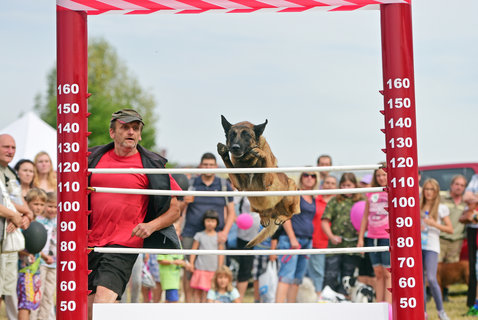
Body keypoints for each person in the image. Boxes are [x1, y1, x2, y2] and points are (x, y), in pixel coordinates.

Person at [87, 109, 181, 320]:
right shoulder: (93, 158)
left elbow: (175, 209)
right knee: (90, 310)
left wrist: (151, 226)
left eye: (135, 128)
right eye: (125, 127)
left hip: (124, 244)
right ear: (112, 132)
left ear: (140, 135)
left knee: (102, 304)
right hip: (90, 244)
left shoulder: (152, 165)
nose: (131, 132)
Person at [180, 152, 235, 302]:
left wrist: (225, 232)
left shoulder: (224, 185)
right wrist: (185, 202)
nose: (208, 167)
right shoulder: (191, 184)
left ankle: (212, 303)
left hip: (216, 235)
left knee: (217, 271)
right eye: (205, 164)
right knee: (189, 269)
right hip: (191, 233)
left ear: (216, 167)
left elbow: (231, 212)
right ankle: (189, 304)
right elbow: (179, 211)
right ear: (200, 166)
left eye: (211, 165)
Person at [0, 134, 31, 320]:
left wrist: (26, 215)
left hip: (9, 243)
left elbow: (17, 201)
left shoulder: (11, 173)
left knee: (4, 290)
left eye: (13, 147)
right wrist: (13, 215)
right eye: (6, 147)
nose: (10, 151)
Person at [275, 171, 317, 303]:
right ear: (301, 177)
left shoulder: (313, 197)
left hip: (306, 240)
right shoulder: (295, 193)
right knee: (286, 276)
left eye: (313, 176)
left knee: (297, 278)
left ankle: (291, 309)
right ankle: (279, 309)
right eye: (306, 175)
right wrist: (292, 238)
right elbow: (284, 216)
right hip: (291, 240)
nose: (309, 178)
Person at [321, 172, 363, 296]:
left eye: (349, 185)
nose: (346, 188)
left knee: (348, 278)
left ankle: (345, 304)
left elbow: (367, 220)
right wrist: (331, 237)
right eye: (343, 185)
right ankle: (329, 301)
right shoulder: (335, 200)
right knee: (330, 276)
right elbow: (324, 221)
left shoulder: (361, 200)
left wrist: (361, 235)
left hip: (353, 246)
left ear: (355, 185)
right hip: (335, 246)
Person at [357, 165, 391, 304]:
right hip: (372, 236)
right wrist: (360, 238)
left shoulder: (392, 192)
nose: (381, 178)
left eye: (384, 175)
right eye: (378, 175)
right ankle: (379, 303)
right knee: (377, 273)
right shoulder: (371, 193)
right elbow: (365, 216)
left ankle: (389, 305)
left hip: (386, 237)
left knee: (388, 273)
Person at [420, 179, 453, 320]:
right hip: (418, 245)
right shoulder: (418, 206)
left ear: (436, 191)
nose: (428, 192)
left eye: (432, 189)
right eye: (426, 189)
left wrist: (434, 224)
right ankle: (423, 313)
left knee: (432, 279)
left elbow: (450, 229)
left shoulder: (441, 208)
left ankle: (441, 311)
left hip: (431, 246)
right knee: (419, 280)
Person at [17, 188, 47, 320]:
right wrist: (24, 253)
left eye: (41, 204)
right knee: (25, 303)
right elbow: (16, 245)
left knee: (32, 302)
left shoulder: (38, 222)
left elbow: (36, 246)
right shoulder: (23, 222)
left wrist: (45, 257)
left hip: (35, 269)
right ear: (27, 203)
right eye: (35, 204)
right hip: (24, 270)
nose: (39, 207)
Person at [439, 175, 467, 301]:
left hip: (456, 240)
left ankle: (445, 294)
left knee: (451, 269)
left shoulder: (465, 202)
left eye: (462, 185)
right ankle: (430, 292)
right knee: (435, 267)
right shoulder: (443, 198)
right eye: (457, 184)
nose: (459, 187)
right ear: (451, 185)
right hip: (442, 237)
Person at [308, 175, 337, 299]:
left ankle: (326, 298)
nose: (329, 185)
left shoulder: (338, 201)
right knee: (316, 273)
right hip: (315, 241)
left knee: (331, 274)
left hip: (333, 244)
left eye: (332, 183)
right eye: (327, 183)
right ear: (322, 184)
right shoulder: (315, 199)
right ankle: (316, 298)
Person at [189, 210, 225, 303]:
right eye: (208, 221)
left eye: (213, 221)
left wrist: (220, 268)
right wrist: (191, 263)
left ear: (216, 223)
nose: (210, 223)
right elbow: (194, 250)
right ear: (204, 221)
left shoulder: (219, 237)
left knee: (208, 293)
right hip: (200, 268)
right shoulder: (199, 235)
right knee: (197, 292)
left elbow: (221, 254)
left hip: (213, 270)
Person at [232, 195, 261, 302]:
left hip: (264, 238)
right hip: (245, 237)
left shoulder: (267, 187)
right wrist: (236, 219)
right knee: (245, 269)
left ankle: (258, 300)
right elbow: (229, 204)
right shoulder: (242, 189)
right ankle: (239, 300)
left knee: (261, 270)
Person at [35, 192, 57, 320]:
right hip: (41, 263)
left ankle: (43, 318)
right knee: (38, 293)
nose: (52, 210)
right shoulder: (38, 220)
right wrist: (44, 256)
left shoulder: (60, 221)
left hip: (54, 264)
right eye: (49, 206)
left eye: (55, 207)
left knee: (49, 295)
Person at [460, 174, 478, 315]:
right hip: (473, 230)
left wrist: (474, 197)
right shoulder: (475, 177)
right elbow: (466, 198)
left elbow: (470, 199)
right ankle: (473, 304)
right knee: (474, 269)